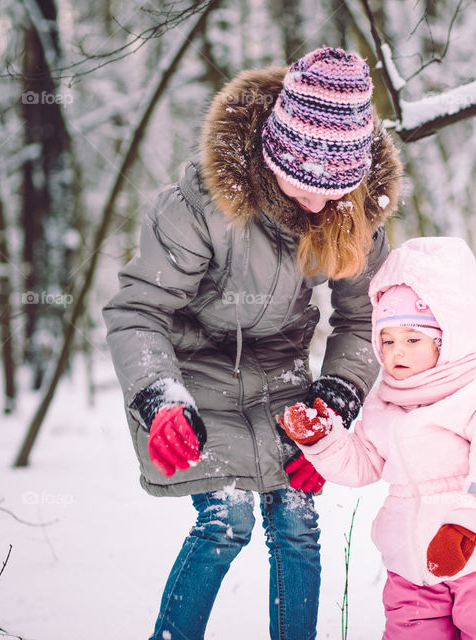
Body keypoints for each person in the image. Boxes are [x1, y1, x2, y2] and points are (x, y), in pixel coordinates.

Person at [102, 47, 403, 640]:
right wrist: (158, 398)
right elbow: (140, 310)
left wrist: (337, 396)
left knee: (296, 523)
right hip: (193, 381)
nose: (316, 203)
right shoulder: (201, 207)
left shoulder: (352, 214)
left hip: (283, 387)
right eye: (302, 184)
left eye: (333, 190)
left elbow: (366, 319)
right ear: (272, 157)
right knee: (227, 519)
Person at [278, 236, 476, 640]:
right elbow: (364, 463)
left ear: (446, 338)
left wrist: (466, 524)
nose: (397, 352)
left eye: (413, 340)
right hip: (411, 568)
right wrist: (324, 441)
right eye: (388, 340)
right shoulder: (385, 399)